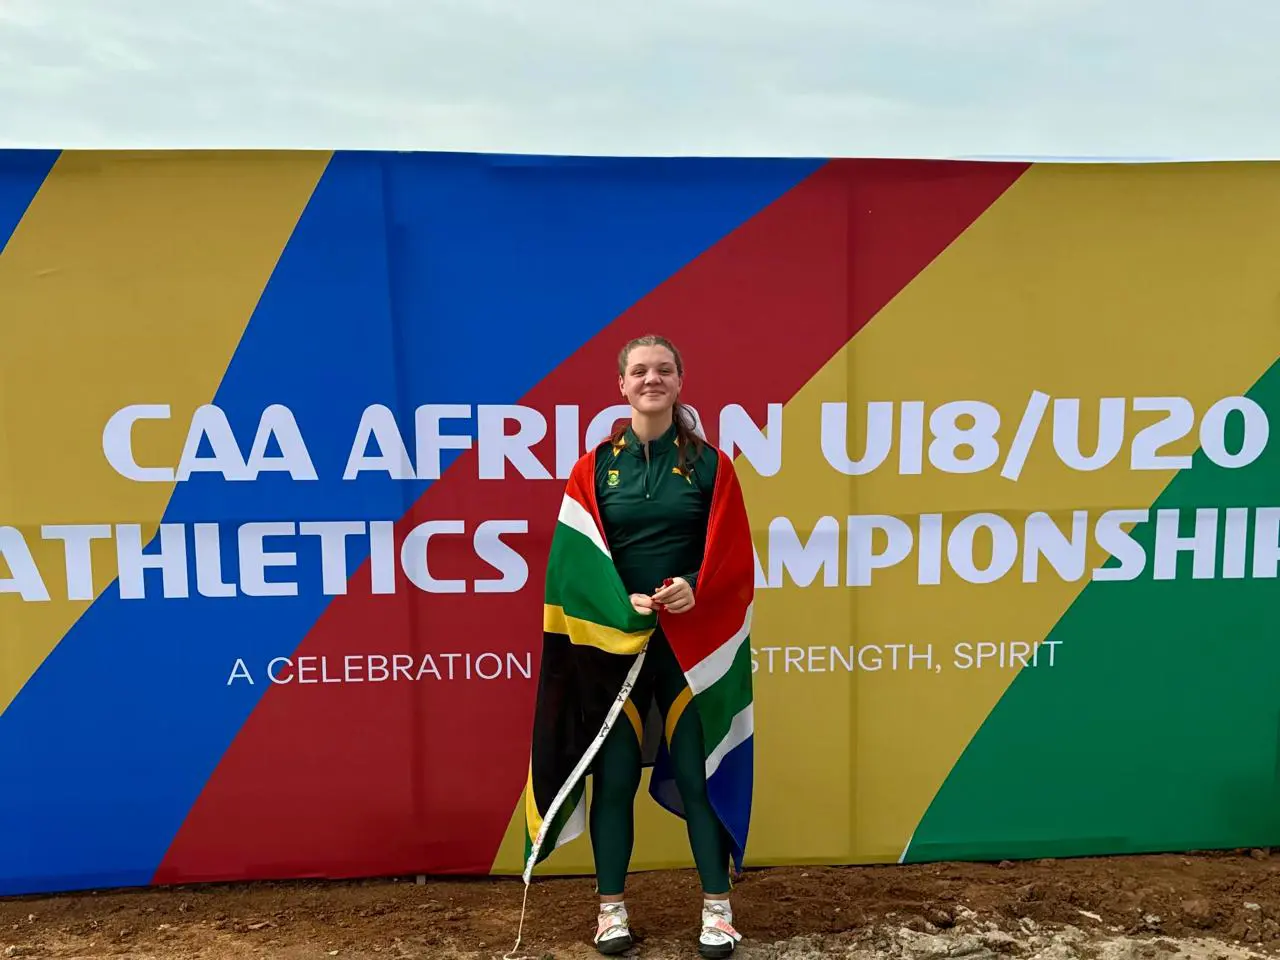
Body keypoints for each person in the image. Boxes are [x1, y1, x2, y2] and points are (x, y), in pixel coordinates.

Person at [520, 333, 756, 960]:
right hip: (617, 648)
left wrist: (692, 587)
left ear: (681, 382)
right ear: (620, 385)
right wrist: (619, 602)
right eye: (639, 371)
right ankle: (609, 911)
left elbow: (732, 558)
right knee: (614, 779)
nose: (651, 380)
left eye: (664, 371)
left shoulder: (711, 465)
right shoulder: (593, 467)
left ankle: (717, 911)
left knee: (700, 776)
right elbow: (572, 566)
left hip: (690, 648)